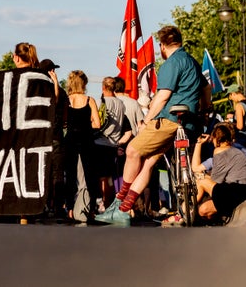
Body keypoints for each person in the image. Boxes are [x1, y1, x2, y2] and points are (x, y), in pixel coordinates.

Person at [96, 25, 211, 225]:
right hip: (191, 123)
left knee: (132, 150)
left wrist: (147, 120)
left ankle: (119, 203)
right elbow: (207, 87)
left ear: (163, 45)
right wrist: (205, 109)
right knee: (148, 161)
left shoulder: (171, 63)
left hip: (170, 120)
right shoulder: (191, 61)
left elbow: (163, 96)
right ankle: (124, 208)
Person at [64, 69, 101, 220]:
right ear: (84, 83)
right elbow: (97, 124)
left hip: (71, 139)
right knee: (90, 174)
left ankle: (70, 209)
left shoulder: (67, 100)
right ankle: (91, 209)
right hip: (87, 139)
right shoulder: (89, 100)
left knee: (71, 175)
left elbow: (64, 122)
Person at [94, 77, 130, 212]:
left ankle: (101, 204)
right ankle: (108, 204)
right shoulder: (121, 104)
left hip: (99, 142)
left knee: (100, 177)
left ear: (103, 87)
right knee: (109, 177)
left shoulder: (99, 102)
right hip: (114, 144)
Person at [39, 58, 68, 218]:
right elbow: (60, 109)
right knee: (57, 173)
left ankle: (44, 205)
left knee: (44, 172)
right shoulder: (59, 91)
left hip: (42, 137)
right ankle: (57, 207)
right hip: (55, 136)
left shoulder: (36, 89)